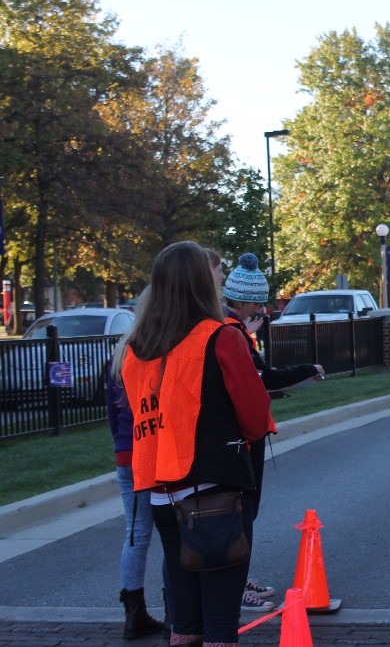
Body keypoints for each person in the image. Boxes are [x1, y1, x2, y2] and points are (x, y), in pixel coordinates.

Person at [115, 240, 274, 647]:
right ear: (203, 284)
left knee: (184, 620)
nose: (219, 280)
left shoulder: (134, 349)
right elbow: (256, 418)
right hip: (212, 492)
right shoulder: (220, 338)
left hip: (161, 492)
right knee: (220, 623)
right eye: (214, 275)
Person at [217, 251, 324, 612]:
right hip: (242, 439)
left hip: (244, 436)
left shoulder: (235, 331)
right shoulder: (231, 334)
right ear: (246, 299)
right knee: (242, 513)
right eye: (258, 302)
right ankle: (234, 587)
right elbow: (264, 377)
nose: (261, 308)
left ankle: (237, 579)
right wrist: (308, 369)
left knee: (244, 512)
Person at [107, 289, 164, 641]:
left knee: (135, 533)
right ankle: (177, 609)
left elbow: (112, 415)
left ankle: (134, 609)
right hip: (153, 451)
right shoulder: (157, 351)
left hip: (125, 453)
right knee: (175, 533)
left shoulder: (120, 352)